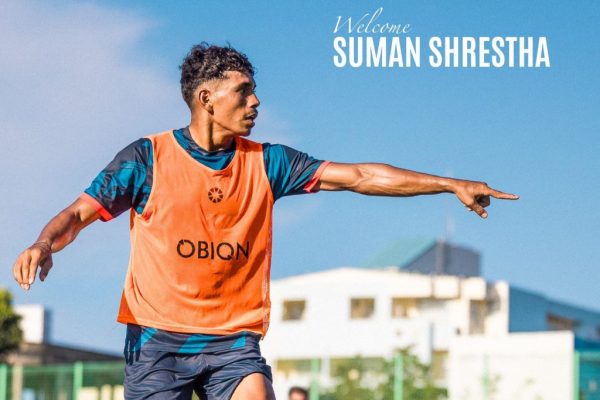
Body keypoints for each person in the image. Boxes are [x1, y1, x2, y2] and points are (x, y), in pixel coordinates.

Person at [12, 43, 518, 399]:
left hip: (233, 341)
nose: (255, 102)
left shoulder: (267, 162)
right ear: (206, 98)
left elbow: (361, 175)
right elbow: (79, 212)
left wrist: (449, 183)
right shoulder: (148, 158)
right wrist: (44, 243)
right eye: (243, 91)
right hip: (157, 340)